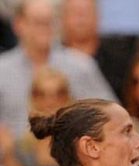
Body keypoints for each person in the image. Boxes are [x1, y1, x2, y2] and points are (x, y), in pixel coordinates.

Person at [0, 0, 115, 138]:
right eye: (38, 22)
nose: (45, 29)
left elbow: (110, 113)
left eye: (50, 22)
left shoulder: (81, 66)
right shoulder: (2, 71)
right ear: (18, 24)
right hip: (11, 154)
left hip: (68, 152)